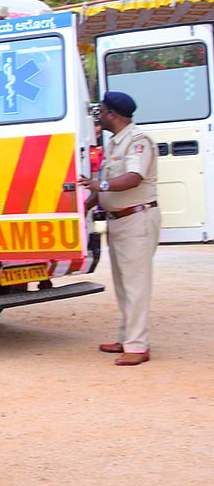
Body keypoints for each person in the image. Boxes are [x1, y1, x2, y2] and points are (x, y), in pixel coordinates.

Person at [81, 91, 159, 366]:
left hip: (136, 218)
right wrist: (89, 203)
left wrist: (99, 186)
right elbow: (108, 183)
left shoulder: (138, 141)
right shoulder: (116, 143)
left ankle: (138, 346)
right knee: (124, 284)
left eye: (101, 111)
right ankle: (128, 338)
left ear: (112, 114)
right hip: (118, 220)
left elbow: (133, 178)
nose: (99, 116)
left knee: (136, 284)